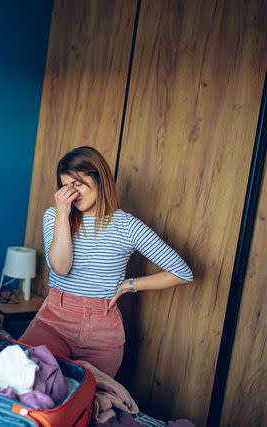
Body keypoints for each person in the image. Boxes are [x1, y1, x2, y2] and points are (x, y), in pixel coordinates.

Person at [19, 146, 193, 377]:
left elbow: (182, 273)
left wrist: (129, 285)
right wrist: (63, 214)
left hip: (102, 329)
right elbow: (61, 268)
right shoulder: (55, 216)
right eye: (65, 185)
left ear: (99, 179)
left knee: (86, 401)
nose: (71, 193)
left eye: (77, 184)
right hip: (54, 318)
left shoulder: (127, 226)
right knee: (21, 375)